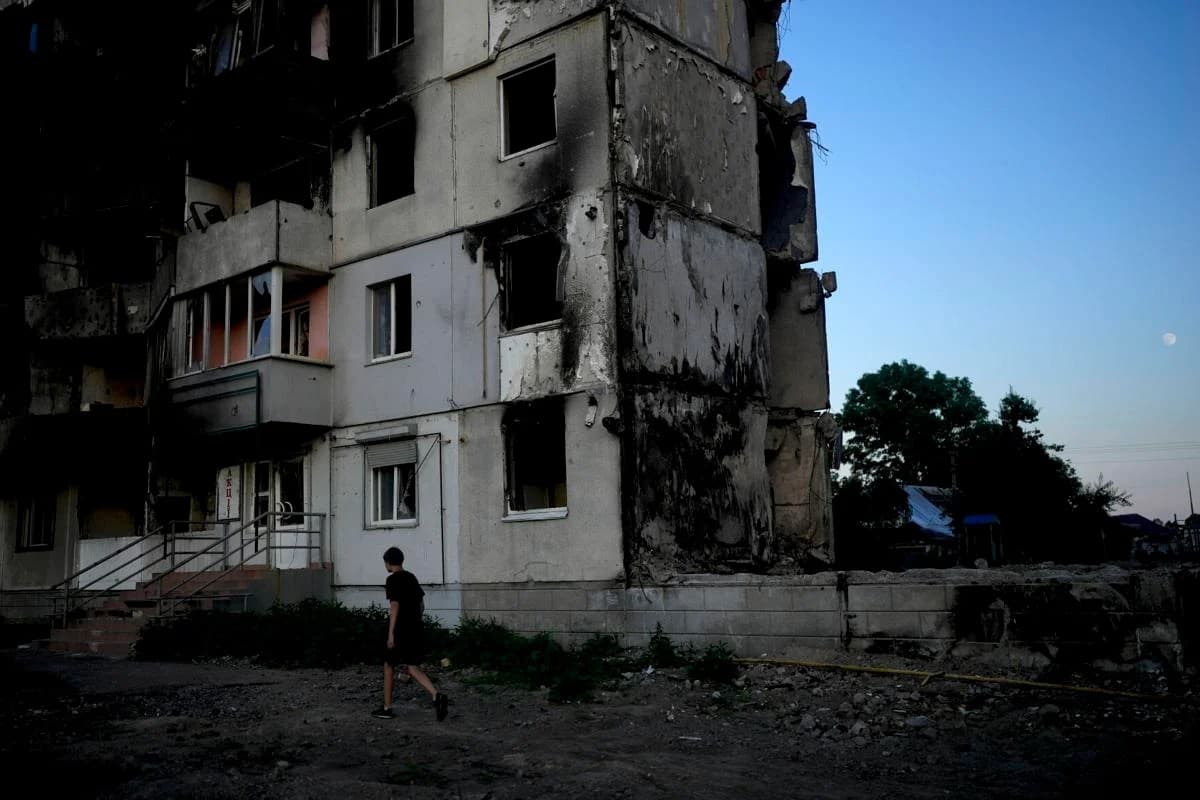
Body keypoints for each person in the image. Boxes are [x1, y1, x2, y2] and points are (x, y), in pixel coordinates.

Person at [372, 547, 448, 721]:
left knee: (389, 665)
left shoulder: (392, 579)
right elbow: (421, 605)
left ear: (388, 563)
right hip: (416, 627)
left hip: (400, 629)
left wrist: (391, 634)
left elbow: (395, 606)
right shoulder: (411, 577)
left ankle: (387, 708)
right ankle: (436, 695)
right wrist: (416, 620)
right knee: (412, 666)